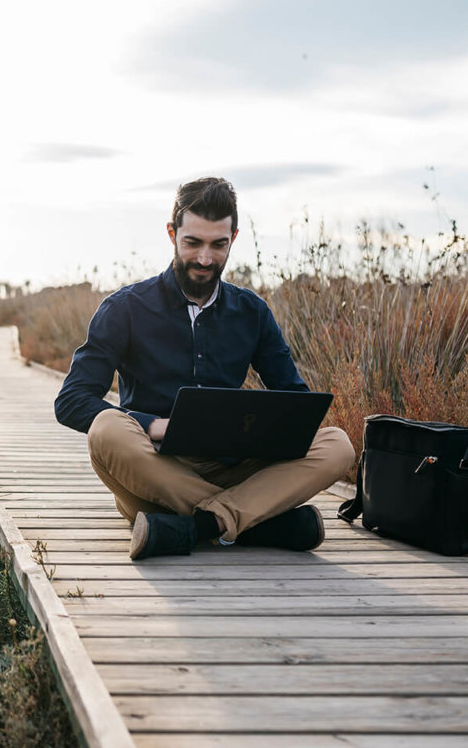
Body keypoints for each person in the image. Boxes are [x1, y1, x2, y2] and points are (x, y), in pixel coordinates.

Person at [54, 176, 355, 559]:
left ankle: (199, 527)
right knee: (106, 429)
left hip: (235, 465)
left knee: (337, 445)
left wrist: (263, 428)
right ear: (172, 233)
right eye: (192, 242)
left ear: (234, 237)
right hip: (154, 473)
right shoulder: (125, 308)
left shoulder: (252, 312)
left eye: (218, 244)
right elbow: (72, 401)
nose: (205, 258)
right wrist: (154, 425)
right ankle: (259, 522)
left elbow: (294, 399)